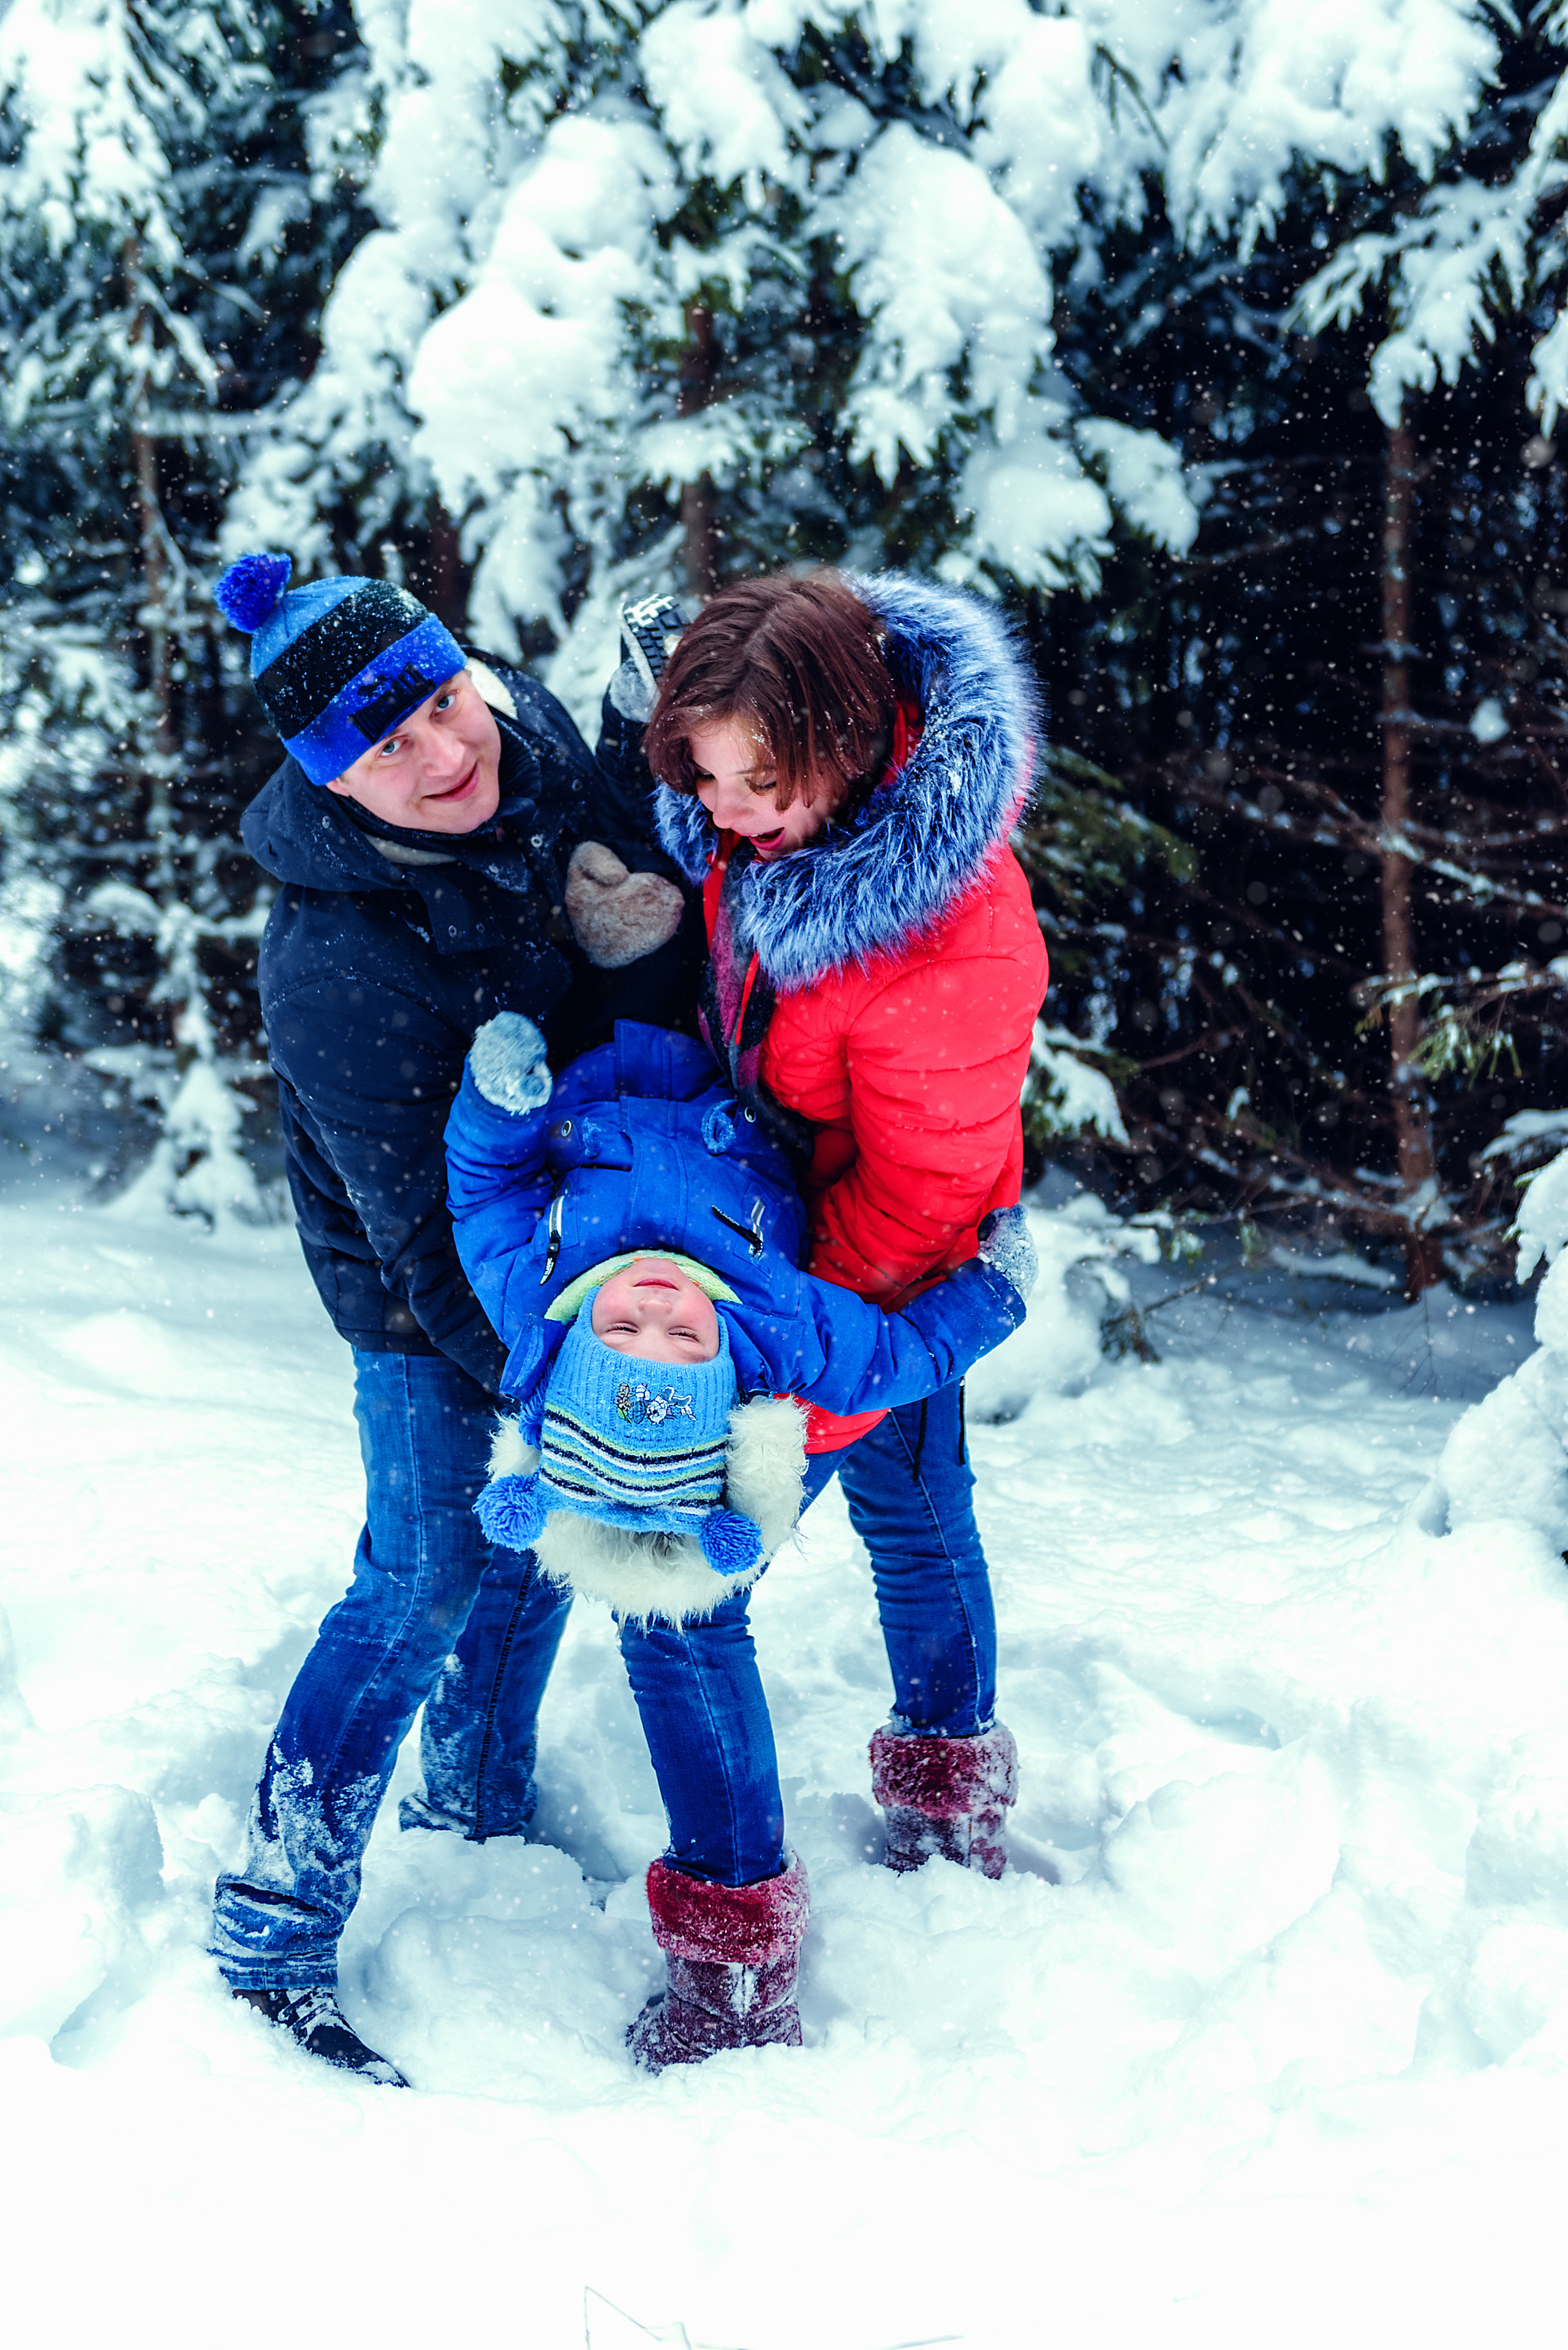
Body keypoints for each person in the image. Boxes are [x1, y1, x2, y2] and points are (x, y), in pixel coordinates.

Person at [205, 552, 693, 2085]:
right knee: (420, 1574)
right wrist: (554, 1391)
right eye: (384, 744)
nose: (440, 751)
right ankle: (274, 1923)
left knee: (527, 1542)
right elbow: (420, 1236)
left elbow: (616, 887)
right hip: (419, 1291)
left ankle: (475, 1804)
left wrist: (634, 742)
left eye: (434, 699)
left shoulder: (515, 730)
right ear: (330, 776)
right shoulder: (332, 959)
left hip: (565, 1231)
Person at [590, 567, 1050, 2058]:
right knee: (916, 1509)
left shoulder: (948, 932)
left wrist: (773, 1391)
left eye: (759, 780)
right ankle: (941, 1787)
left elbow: (914, 1209)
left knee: (675, 1574)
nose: (728, 812)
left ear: (853, 732)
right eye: (704, 778)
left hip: (885, 1268)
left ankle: (736, 1964)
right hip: (791, 1238)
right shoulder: (788, 816)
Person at [442, 1009, 1036, 2063]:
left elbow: (483, 1191)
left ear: (579, 1342)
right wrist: (994, 1297)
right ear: (723, 1378)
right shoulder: (772, 1322)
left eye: (626, 1329)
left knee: (889, 1525)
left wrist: (500, 1105)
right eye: (679, 1340)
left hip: (609, 1071)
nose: (659, 1307)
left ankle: (919, 1823)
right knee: (894, 1522)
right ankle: (739, 1960)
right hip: (748, 1087)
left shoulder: (531, 1300)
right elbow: (894, 1358)